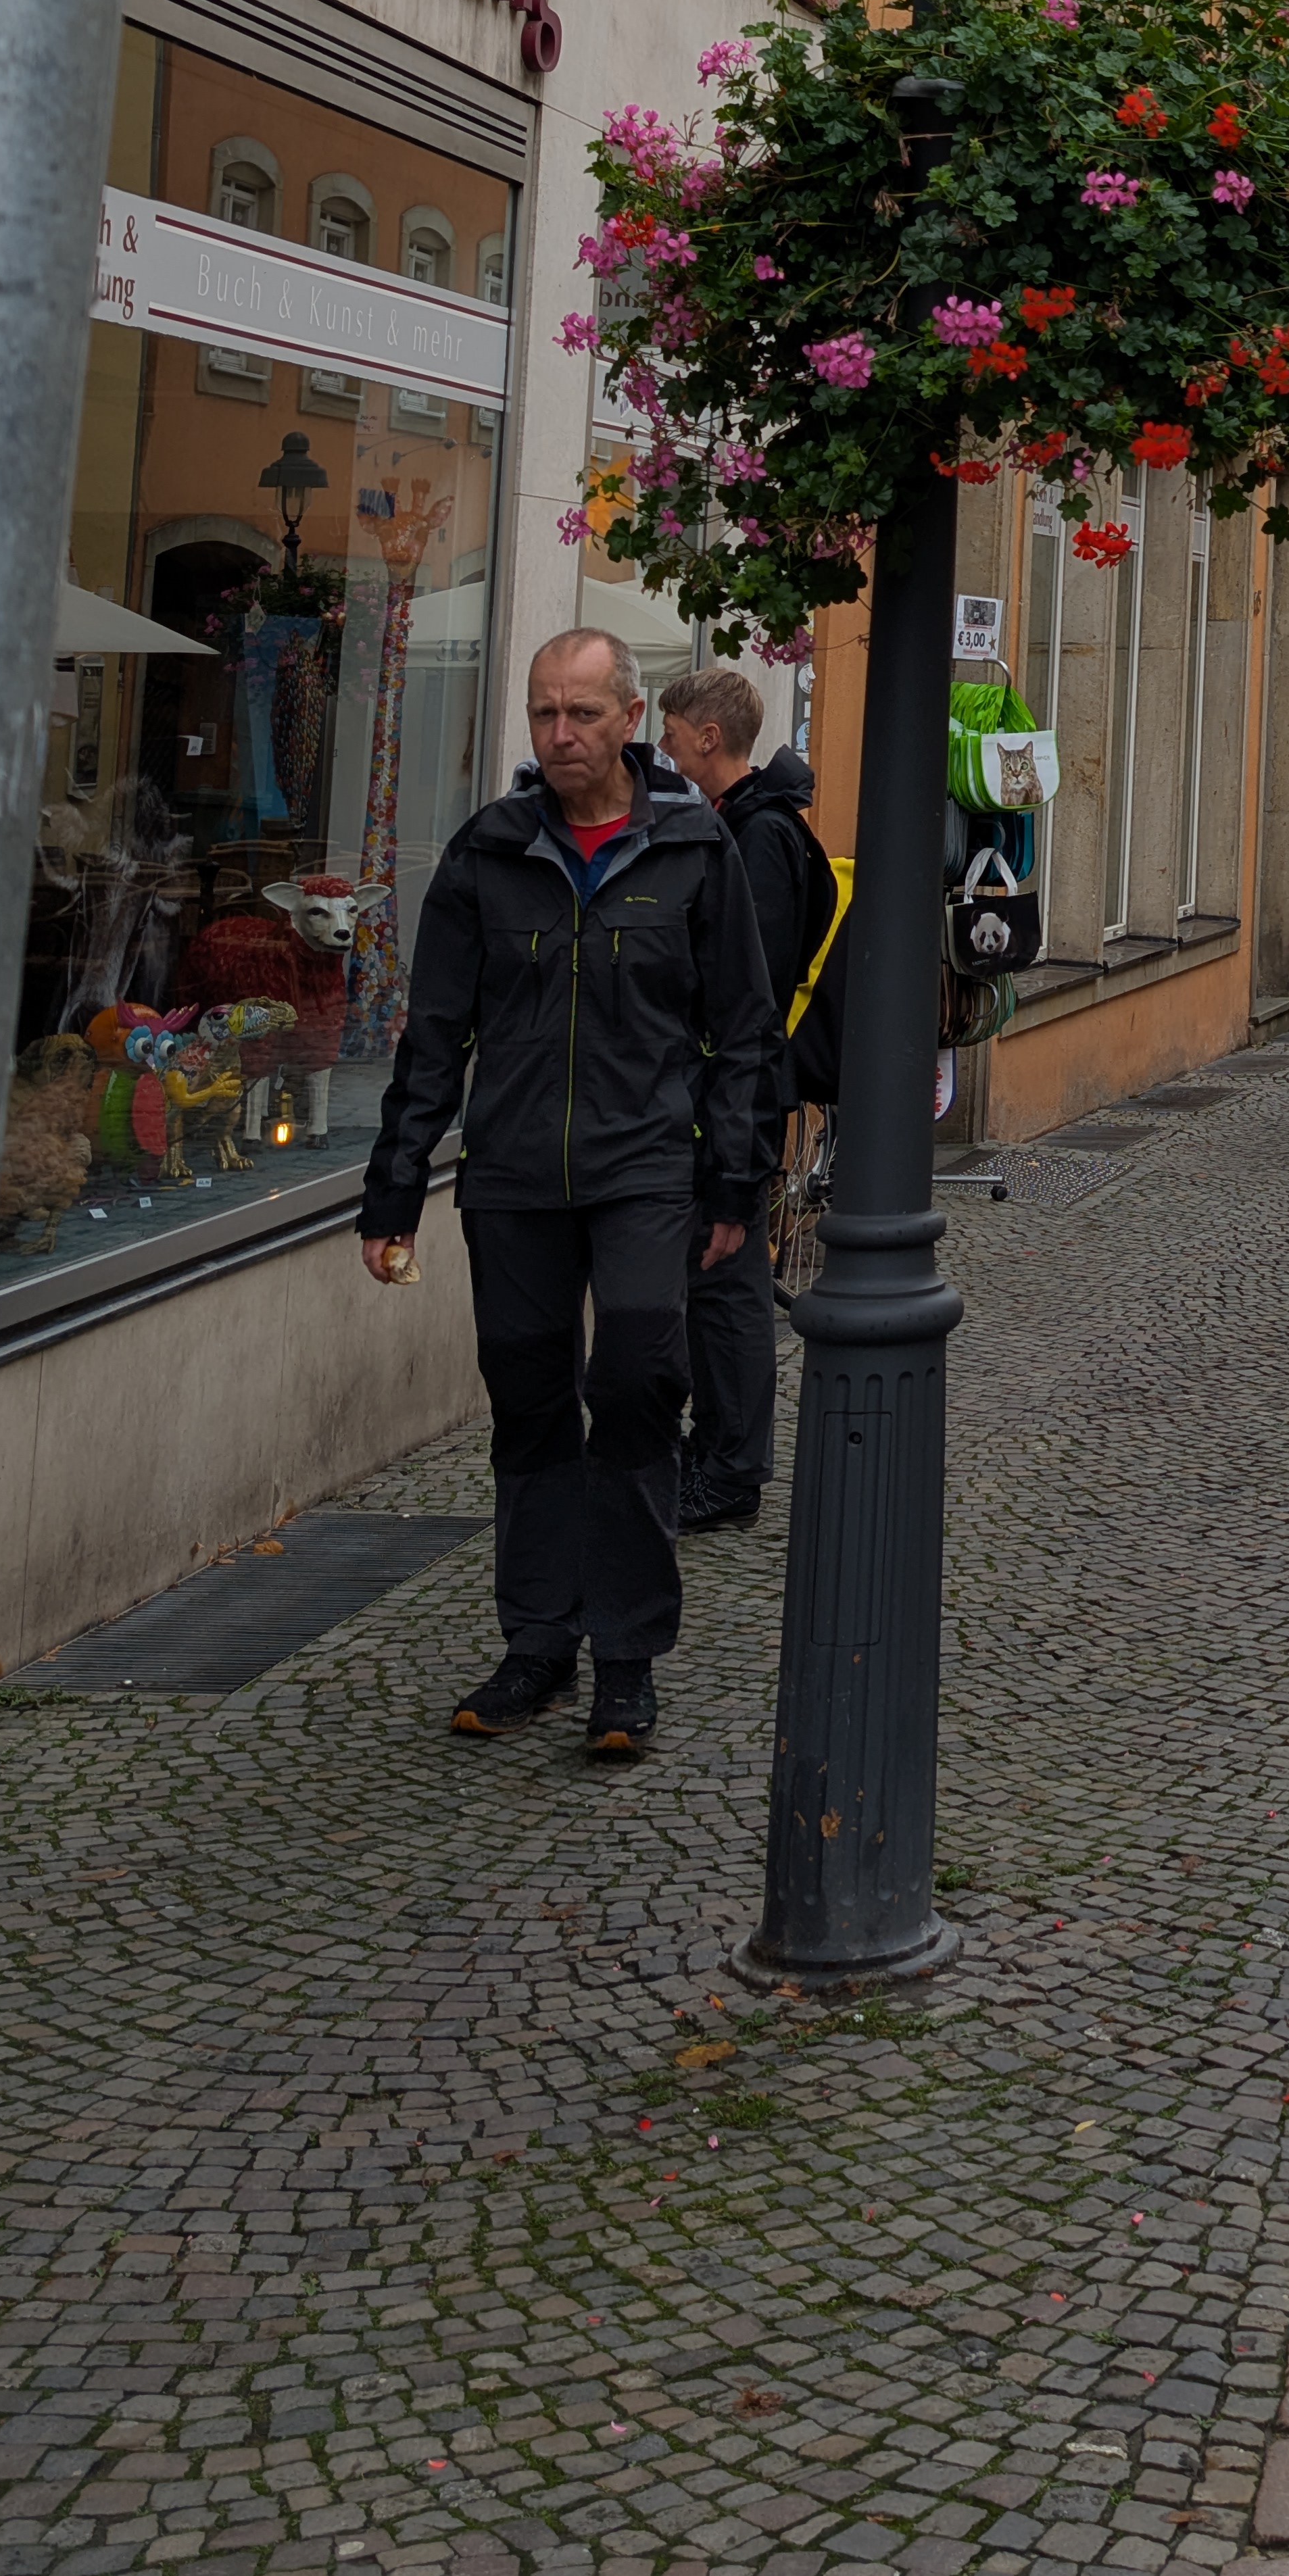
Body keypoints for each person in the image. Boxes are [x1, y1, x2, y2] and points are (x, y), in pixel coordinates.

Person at [359, 628, 778, 1763]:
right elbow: (434, 1037)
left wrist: (735, 1181)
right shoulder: (489, 851)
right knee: (531, 1405)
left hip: (646, 1169)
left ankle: (626, 1657)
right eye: (545, 713)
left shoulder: (693, 847)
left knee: (637, 1382)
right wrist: (393, 1191)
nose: (561, 734)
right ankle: (538, 1643)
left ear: (632, 720)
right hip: (512, 1177)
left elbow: (743, 1030)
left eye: (582, 713)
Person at [654, 663, 841, 1535]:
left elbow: (746, 985)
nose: (663, 750)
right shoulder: (741, 823)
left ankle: (730, 1470)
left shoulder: (758, 837)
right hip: (723, 1087)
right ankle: (713, 1451)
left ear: (708, 738)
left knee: (728, 1286)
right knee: (714, 1280)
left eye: (671, 734)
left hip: (736, 1092)